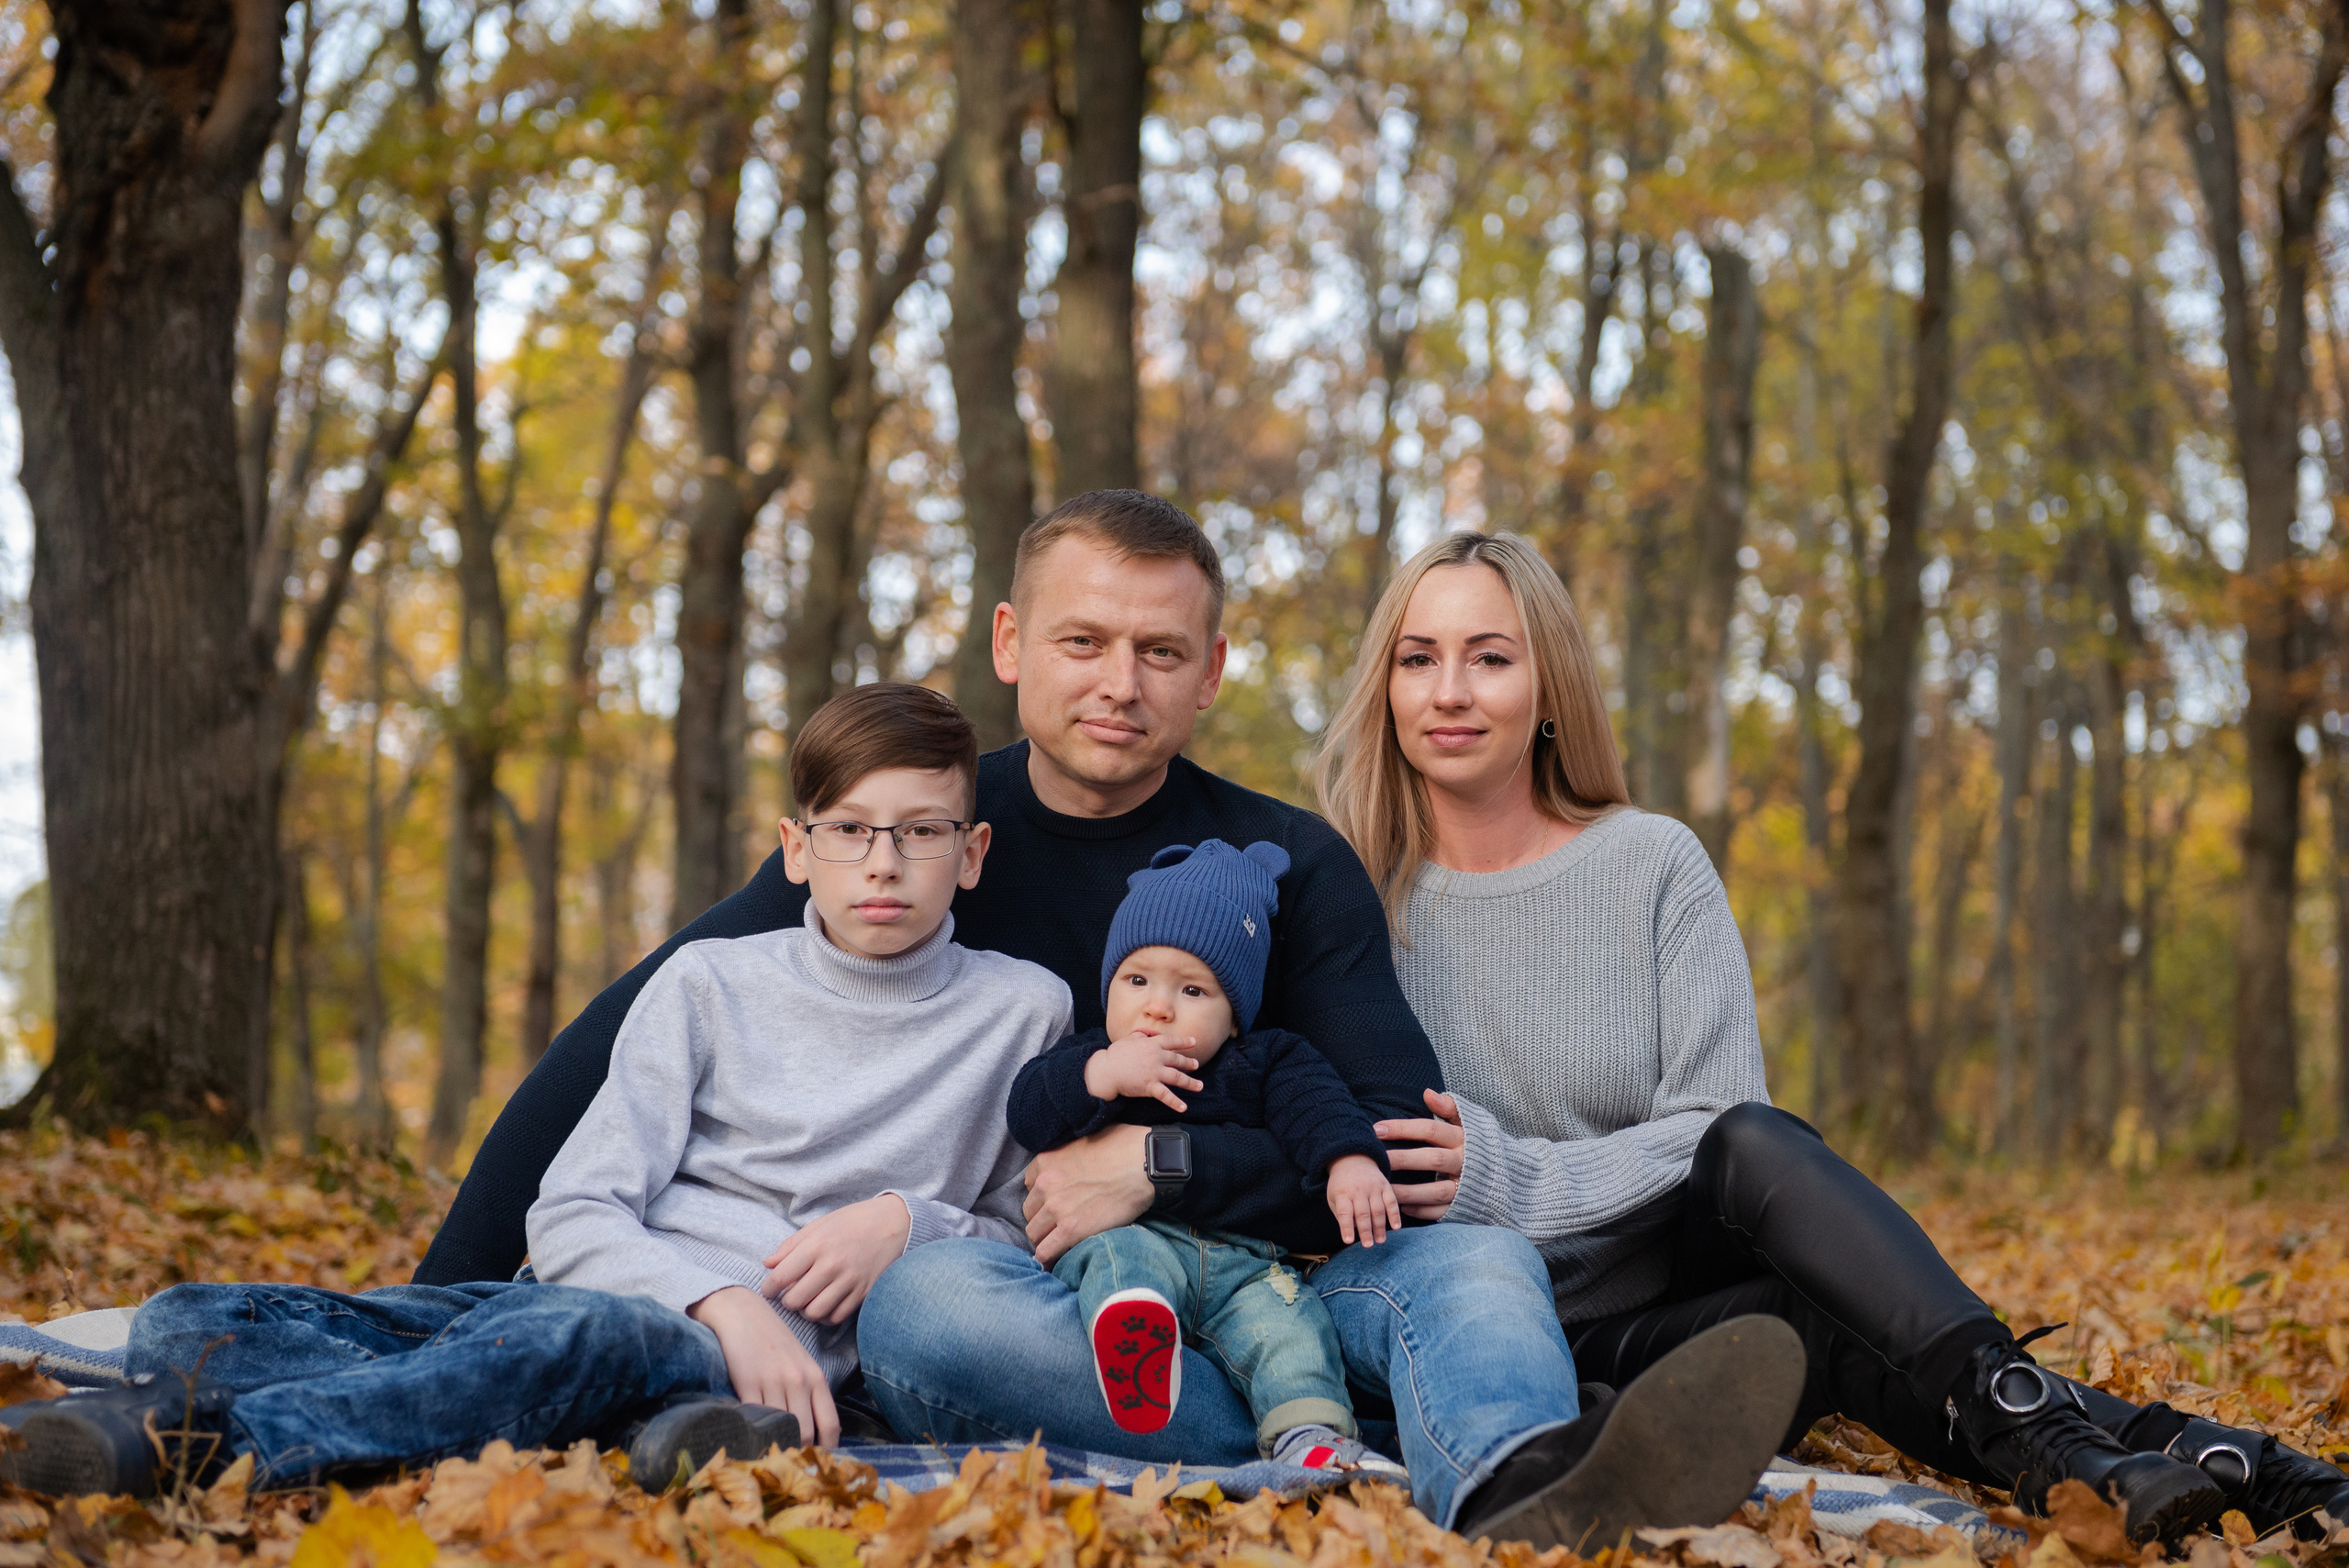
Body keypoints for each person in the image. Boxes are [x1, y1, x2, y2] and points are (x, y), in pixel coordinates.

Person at [419, 488, 1807, 1549]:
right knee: (927, 1311)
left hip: (1301, 1269)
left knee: (1481, 1266)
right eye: (1083, 641)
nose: (1118, 682)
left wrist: (1163, 1167)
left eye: (1159, 650)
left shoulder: (1283, 864)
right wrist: (438, 1305)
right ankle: (1328, 1429)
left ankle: (1525, 1481)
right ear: (1014, 645)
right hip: (1068, 1300)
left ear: (1209, 672)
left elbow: (1389, 1158)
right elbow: (623, 1034)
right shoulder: (919, 834)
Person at [1314, 528, 2349, 1547]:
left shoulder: (1651, 863)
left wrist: (1512, 1175)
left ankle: (2066, 1448)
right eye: (1418, 658)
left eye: (1488, 657)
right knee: (1839, 1327)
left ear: (1547, 688)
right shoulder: (1340, 897)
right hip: (1529, 1349)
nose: (1449, 690)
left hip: (1671, 1284)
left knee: (1756, 1139)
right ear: (1386, 686)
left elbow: (1711, 1129)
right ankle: (2195, 1459)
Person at [0, 684, 1064, 1497]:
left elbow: (1025, 1240)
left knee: (577, 1344)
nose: (884, 860)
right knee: (207, 1313)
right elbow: (571, 1209)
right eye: (849, 828)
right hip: (624, 1298)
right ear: (798, 848)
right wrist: (718, 1293)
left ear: (969, 853)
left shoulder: (1023, 1013)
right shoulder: (708, 982)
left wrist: (905, 1221)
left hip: (725, 1347)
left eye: (922, 830)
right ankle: (649, 1428)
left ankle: (191, 1438)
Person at [1006, 837, 1408, 1477]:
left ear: (1235, 1016)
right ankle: (1137, 1342)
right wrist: (1101, 1073)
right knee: (1117, 1258)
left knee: (1291, 1330)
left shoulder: (1266, 1060)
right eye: (1136, 980)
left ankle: (1314, 1442)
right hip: (1134, 1240)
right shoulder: (1088, 1057)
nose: (1157, 1005)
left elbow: (1321, 1109)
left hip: (1244, 1263)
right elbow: (1027, 1110)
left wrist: (1349, 1161)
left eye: (1192, 990)